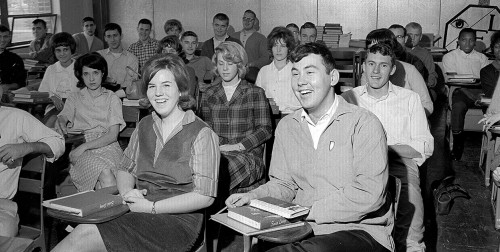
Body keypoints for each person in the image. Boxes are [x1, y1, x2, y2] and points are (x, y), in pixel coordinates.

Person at [225, 42, 393, 252]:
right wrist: (253, 197)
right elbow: (285, 185)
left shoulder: (364, 124)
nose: (300, 82)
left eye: (310, 72)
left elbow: (369, 194)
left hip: (359, 231)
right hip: (302, 229)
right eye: (295, 74)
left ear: (332, 78)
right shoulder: (287, 126)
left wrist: (308, 211)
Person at [52, 53, 220, 252]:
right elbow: (125, 168)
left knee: (86, 234)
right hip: (139, 208)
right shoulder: (144, 125)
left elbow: (205, 197)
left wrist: (151, 208)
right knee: (83, 230)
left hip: (177, 223)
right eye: (152, 86)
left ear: (182, 89)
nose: (158, 93)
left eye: (166, 85)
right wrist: (127, 194)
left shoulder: (202, 133)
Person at [343, 43, 434, 252]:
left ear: (392, 69)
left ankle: (411, 246)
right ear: (363, 66)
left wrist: (382, 148)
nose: (375, 71)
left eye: (383, 66)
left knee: (412, 214)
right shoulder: (348, 99)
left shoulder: (410, 99)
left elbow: (425, 145)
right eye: (371, 64)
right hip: (358, 166)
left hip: (399, 164)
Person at [201, 41, 272, 193]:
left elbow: (265, 130)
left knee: (221, 169)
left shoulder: (255, 92)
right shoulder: (209, 94)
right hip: (217, 153)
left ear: (239, 65)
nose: (225, 68)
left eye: (230, 63)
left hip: (247, 156)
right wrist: (217, 148)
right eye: (220, 63)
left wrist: (238, 146)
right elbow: (206, 129)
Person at [54, 53, 125, 192]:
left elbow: (112, 135)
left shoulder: (112, 98)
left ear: (102, 73)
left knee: (103, 181)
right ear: (81, 75)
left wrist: (84, 147)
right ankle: (108, 210)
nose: (91, 78)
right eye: (86, 74)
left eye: (95, 73)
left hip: (109, 147)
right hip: (81, 147)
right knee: (105, 173)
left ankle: (100, 210)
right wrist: (61, 121)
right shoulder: (74, 97)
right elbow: (64, 116)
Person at [0, 86, 65, 237]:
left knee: (3, 232)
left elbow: (57, 142)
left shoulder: (14, 117)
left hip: (2, 206)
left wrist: (27, 147)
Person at [363, 28, 433, 116]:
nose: (376, 54)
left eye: (381, 50)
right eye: (372, 50)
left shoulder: (410, 70)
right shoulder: (368, 72)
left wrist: (407, 117)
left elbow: (427, 105)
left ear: (391, 50)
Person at [443, 28, 489, 160]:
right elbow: (452, 80)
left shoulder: (482, 58)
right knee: (458, 106)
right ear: (458, 41)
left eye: (471, 40)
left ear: (475, 42)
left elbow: (485, 81)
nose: (467, 44)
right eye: (464, 40)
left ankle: (490, 144)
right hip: (459, 90)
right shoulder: (450, 56)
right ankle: (457, 146)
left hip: (479, 90)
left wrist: (478, 95)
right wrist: (472, 96)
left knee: (491, 106)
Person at [38, 32, 80, 127]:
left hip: (76, 107)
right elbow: (42, 92)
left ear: (71, 49)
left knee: (58, 122)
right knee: (52, 120)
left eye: (65, 50)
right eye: (58, 50)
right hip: (54, 107)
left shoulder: (80, 67)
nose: (62, 54)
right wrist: (52, 96)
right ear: (54, 52)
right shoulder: (51, 69)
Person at [255, 26, 301, 114]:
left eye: (283, 46)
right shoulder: (263, 71)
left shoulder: (296, 72)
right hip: (268, 117)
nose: (278, 50)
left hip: (291, 116)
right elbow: (258, 100)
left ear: (289, 49)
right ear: (271, 48)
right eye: (275, 45)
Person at [97, 23, 139, 98]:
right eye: (109, 36)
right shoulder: (99, 56)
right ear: (105, 38)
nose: (112, 40)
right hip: (100, 97)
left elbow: (130, 84)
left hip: (123, 97)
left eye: (115, 35)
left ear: (121, 36)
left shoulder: (132, 59)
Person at [405, 22, 439, 90]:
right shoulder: (398, 51)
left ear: (420, 37)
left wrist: (430, 81)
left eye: (416, 35)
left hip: (419, 87)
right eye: (410, 35)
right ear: (405, 36)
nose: (413, 38)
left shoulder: (425, 53)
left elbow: (432, 73)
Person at [0, 24, 26, 92]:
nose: (2, 40)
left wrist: (7, 86)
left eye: (5, 36)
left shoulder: (15, 59)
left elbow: (21, 83)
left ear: (9, 38)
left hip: (6, 95)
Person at [480, 31, 500, 99]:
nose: (499, 50)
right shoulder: (486, 71)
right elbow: (491, 94)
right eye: (497, 47)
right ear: (492, 49)